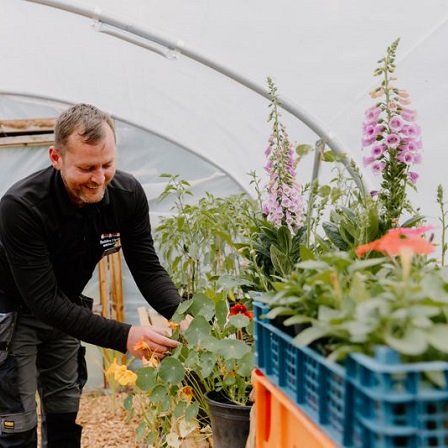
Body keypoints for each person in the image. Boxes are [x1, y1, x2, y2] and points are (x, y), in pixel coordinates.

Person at [0, 103, 185, 447]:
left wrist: (186, 316)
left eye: (107, 164)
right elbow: (41, 301)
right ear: (56, 157)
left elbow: (146, 267)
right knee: (17, 424)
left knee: (65, 415)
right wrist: (126, 336)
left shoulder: (126, 196)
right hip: (14, 312)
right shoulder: (21, 207)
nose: (99, 178)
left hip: (66, 309)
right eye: (86, 168)